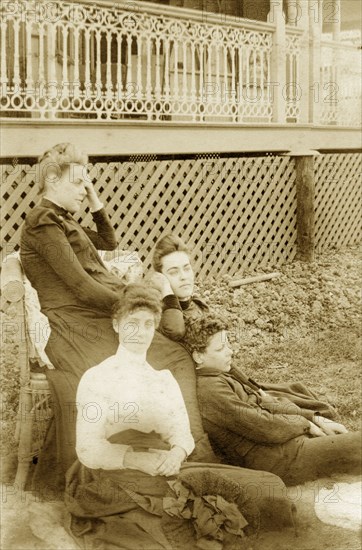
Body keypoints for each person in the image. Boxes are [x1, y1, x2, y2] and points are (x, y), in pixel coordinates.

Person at [65, 284, 296, 549]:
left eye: (148, 324)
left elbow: (181, 433)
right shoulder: (97, 378)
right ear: (116, 325)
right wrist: (136, 459)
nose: (140, 332)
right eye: (132, 323)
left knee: (268, 488)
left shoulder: (162, 379)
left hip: (166, 465)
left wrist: (176, 453)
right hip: (115, 472)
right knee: (190, 525)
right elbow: (87, 448)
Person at [20, 143, 123, 488]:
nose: (85, 189)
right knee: (151, 351)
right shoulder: (43, 223)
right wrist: (130, 309)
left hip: (85, 315)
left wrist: (94, 200)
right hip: (72, 325)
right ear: (52, 179)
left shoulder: (62, 220)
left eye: (88, 185)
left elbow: (108, 243)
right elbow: (80, 287)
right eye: (80, 183)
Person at [149, 233, 337, 417]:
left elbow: (224, 358)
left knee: (290, 392)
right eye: (173, 272)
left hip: (224, 378)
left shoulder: (198, 306)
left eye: (186, 268)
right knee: (276, 407)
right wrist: (166, 292)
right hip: (208, 394)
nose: (184, 277)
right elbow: (176, 330)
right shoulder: (163, 317)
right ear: (161, 278)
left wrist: (251, 385)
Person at [182, 313, 362, 486]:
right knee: (357, 444)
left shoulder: (221, 376)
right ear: (199, 356)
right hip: (277, 460)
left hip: (285, 447)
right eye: (221, 349)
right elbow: (261, 424)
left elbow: (267, 403)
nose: (231, 352)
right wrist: (306, 424)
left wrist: (314, 417)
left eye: (228, 345)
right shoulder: (210, 389)